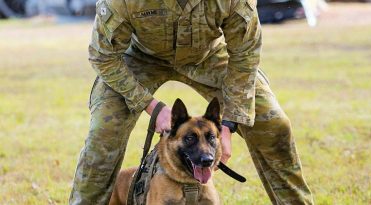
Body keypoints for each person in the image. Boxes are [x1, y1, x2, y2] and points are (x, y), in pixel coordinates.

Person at [69, 0, 314, 204]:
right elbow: (103, 57)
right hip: (140, 57)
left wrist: (228, 124)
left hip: (208, 56)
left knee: (274, 124)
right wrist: (150, 105)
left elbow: (245, 54)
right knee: (104, 131)